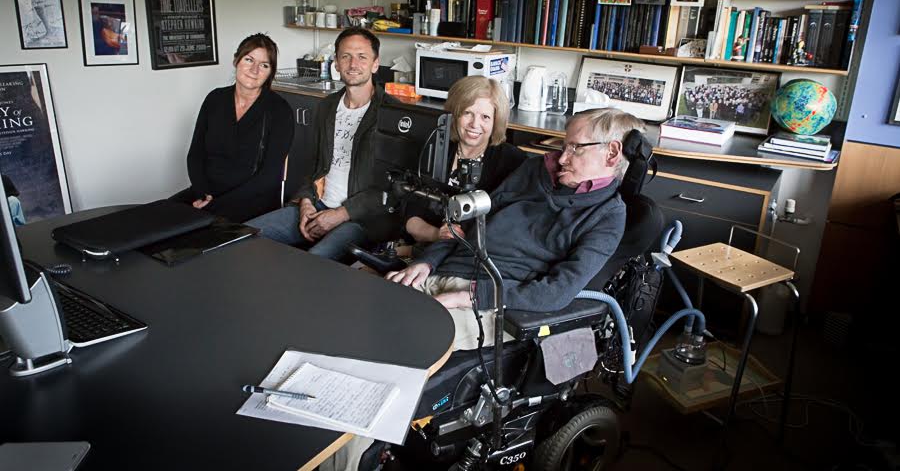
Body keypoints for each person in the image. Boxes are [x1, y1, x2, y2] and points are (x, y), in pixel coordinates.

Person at [387, 108, 645, 350]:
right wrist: (426, 262)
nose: (563, 158)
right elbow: (469, 221)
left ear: (612, 153)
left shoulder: (607, 216)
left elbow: (556, 293)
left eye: (575, 148)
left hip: (493, 301)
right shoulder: (536, 171)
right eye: (564, 146)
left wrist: (468, 297)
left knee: (404, 338)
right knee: (370, 310)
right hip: (443, 272)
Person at [247, 27, 398, 261]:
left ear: (375, 64)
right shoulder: (326, 106)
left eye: (362, 56)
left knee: (313, 264)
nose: (353, 63)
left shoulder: (392, 113)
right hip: (317, 205)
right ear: (336, 63)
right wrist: (306, 202)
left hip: (360, 219)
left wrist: (341, 214)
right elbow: (314, 165)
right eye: (345, 56)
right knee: (246, 236)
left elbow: (392, 187)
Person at [170, 33, 293, 223]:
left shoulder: (279, 110)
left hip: (252, 199)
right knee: (161, 216)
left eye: (264, 65)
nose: (254, 69)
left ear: (270, 72)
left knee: (194, 232)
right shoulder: (215, 99)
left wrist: (215, 206)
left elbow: (269, 176)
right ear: (236, 60)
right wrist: (204, 193)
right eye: (249, 60)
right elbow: (195, 154)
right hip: (207, 192)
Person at [403, 76, 526, 244]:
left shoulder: (512, 161)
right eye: (467, 113)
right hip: (424, 245)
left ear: (496, 121)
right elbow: (411, 217)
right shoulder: (431, 147)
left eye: (485, 117)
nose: (475, 124)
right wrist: (437, 235)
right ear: (454, 114)